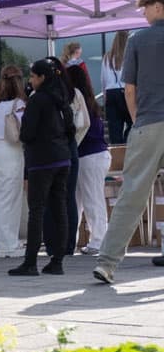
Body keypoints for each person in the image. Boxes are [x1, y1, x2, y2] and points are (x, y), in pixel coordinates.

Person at [96, 0, 164, 279]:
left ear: (159, 6)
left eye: (146, 8)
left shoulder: (138, 40)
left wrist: (137, 120)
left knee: (132, 195)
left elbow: (129, 90)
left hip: (148, 123)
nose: (144, 13)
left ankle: (107, 263)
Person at [9, 58, 72, 276]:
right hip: (62, 158)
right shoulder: (62, 98)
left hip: (41, 160)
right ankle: (58, 261)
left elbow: (27, 133)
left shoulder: (38, 100)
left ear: (42, 78)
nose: (30, 80)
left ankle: (30, 262)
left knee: (36, 210)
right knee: (59, 208)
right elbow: (70, 128)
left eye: (33, 76)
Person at [43, 56, 88, 257]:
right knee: (68, 196)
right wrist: (74, 143)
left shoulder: (41, 95)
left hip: (48, 149)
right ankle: (69, 243)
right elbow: (84, 122)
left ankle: (52, 243)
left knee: (49, 197)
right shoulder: (74, 93)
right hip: (69, 148)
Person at [66, 65, 110, 256]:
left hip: (88, 155)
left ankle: (98, 240)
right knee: (87, 199)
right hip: (95, 155)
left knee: (87, 200)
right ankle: (93, 239)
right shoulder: (91, 102)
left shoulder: (78, 101)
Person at [0, 66, 26, 258]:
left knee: (1, 199)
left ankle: (2, 244)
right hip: (12, 152)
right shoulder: (18, 103)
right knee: (11, 199)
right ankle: (9, 245)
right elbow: (24, 130)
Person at [102, 31, 131, 144]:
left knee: (114, 130)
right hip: (126, 92)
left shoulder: (107, 57)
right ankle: (127, 143)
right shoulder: (129, 56)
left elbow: (103, 80)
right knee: (133, 123)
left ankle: (118, 154)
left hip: (111, 94)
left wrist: (105, 98)